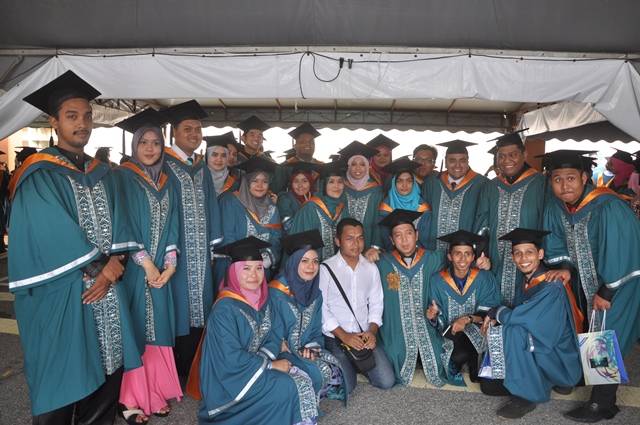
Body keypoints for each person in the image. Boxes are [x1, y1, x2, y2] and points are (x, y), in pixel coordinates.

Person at [10, 70, 141, 423]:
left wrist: (113, 268)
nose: (82, 124)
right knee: (61, 372)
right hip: (62, 293)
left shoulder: (105, 173)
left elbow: (123, 221)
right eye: (72, 116)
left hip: (106, 291)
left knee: (107, 372)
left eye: (87, 116)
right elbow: (47, 227)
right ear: (53, 122)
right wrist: (100, 267)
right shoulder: (38, 173)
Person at [541, 150, 640, 423]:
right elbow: (558, 244)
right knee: (593, 332)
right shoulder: (557, 207)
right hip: (586, 283)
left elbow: (624, 250)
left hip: (617, 284)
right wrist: (565, 267)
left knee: (604, 337)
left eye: (571, 178)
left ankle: (601, 404)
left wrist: (607, 291)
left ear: (585, 177)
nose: (564, 185)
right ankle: (601, 393)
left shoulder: (608, 205)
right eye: (557, 179)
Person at [197, 237, 319, 425]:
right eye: (246, 269)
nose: (253, 275)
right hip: (230, 380)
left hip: (253, 366)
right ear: (234, 272)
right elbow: (229, 357)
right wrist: (271, 366)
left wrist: (271, 356)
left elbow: (274, 334)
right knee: (288, 385)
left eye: (258, 268)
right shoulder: (224, 310)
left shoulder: (263, 301)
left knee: (303, 376)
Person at [114, 109, 182, 423]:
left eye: (156, 142)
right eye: (144, 142)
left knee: (158, 327)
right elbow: (122, 223)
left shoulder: (167, 182)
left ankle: (155, 391)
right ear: (134, 145)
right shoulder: (122, 176)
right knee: (136, 328)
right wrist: (146, 264)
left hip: (160, 273)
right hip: (133, 270)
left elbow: (173, 226)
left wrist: (169, 265)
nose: (150, 148)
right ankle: (130, 399)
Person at [479, 228, 583, 420]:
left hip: (559, 356)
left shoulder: (551, 286)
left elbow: (521, 318)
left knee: (513, 331)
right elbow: (524, 315)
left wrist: (495, 312)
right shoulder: (528, 281)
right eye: (518, 253)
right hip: (545, 346)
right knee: (490, 382)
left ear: (540, 254)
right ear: (512, 257)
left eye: (529, 252)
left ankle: (526, 397)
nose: (523, 258)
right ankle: (540, 380)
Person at [160, 100, 223, 378]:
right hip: (175, 250)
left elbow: (211, 206)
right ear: (174, 132)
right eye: (187, 129)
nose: (194, 134)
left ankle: (194, 366)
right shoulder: (162, 162)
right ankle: (173, 368)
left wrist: (212, 247)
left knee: (200, 305)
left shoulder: (201, 166)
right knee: (177, 303)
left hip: (201, 252)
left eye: (198, 129)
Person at [269, 230, 347, 413]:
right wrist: (278, 343)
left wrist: (311, 348)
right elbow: (267, 329)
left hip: (304, 350)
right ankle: (301, 413)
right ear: (294, 262)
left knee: (336, 372)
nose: (311, 267)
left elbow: (315, 330)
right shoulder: (275, 293)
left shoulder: (315, 293)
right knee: (314, 373)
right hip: (281, 352)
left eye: (315, 261)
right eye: (304, 261)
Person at [318, 218, 395, 394]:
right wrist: (344, 335)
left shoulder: (371, 268)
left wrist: (372, 332)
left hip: (363, 333)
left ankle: (352, 363)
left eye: (360, 238)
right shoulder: (326, 268)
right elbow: (321, 308)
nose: (356, 243)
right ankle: (343, 364)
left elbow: (376, 302)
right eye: (349, 238)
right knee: (348, 386)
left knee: (386, 381)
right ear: (338, 241)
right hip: (336, 336)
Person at [474, 132, 550, 307]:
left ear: (524, 155)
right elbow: (483, 225)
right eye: (501, 156)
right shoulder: (491, 186)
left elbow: (549, 225)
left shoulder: (541, 184)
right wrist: (483, 256)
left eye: (513, 155)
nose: (506, 160)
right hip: (496, 262)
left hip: (530, 263)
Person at [426, 230, 502, 385]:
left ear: (473, 257)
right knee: (457, 356)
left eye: (467, 254)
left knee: (480, 366)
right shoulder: (437, 280)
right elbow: (437, 317)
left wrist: (467, 319)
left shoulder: (484, 277)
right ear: (449, 256)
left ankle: (474, 359)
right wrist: (434, 316)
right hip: (452, 330)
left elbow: (491, 311)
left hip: (477, 326)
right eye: (457, 254)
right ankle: (466, 358)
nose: (462, 259)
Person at [219, 155, 283, 280]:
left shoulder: (272, 207)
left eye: (264, 181)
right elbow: (227, 237)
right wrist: (245, 260)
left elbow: (276, 239)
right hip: (235, 267)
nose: (260, 185)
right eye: (255, 180)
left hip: (261, 270)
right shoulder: (230, 202)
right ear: (246, 182)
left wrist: (268, 256)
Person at [422, 140, 490, 250]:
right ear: (445, 162)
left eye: (462, 160)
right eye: (452, 160)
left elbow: (484, 221)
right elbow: (423, 217)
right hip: (432, 251)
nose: (457, 165)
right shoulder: (432, 182)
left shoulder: (482, 184)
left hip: (464, 254)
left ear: (468, 161)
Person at [288, 161, 350, 262]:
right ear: (322, 185)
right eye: (331, 182)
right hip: (312, 267)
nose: (337, 186)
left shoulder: (343, 208)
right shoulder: (309, 209)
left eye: (340, 182)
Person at [378, 157, 432, 251]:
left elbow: (424, 238)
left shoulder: (422, 207)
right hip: (393, 254)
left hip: (417, 254)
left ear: (413, 183)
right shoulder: (386, 206)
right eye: (399, 181)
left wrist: (412, 255)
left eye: (409, 181)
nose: (404, 185)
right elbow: (386, 238)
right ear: (394, 183)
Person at [339, 141, 385, 252]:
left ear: (368, 166)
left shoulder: (376, 191)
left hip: (368, 245)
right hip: (343, 242)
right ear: (348, 166)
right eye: (354, 164)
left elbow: (378, 221)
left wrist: (375, 247)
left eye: (362, 164)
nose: (358, 168)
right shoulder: (340, 187)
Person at [277, 161, 316, 233]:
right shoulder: (285, 200)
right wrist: (305, 209)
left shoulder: (317, 199)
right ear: (291, 183)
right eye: (296, 181)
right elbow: (289, 227)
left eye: (304, 181)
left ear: (310, 182)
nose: (300, 185)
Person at [203, 132, 239, 199]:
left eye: (224, 155)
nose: (219, 160)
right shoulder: (198, 179)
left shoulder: (233, 184)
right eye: (214, 155)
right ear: (207, 156)